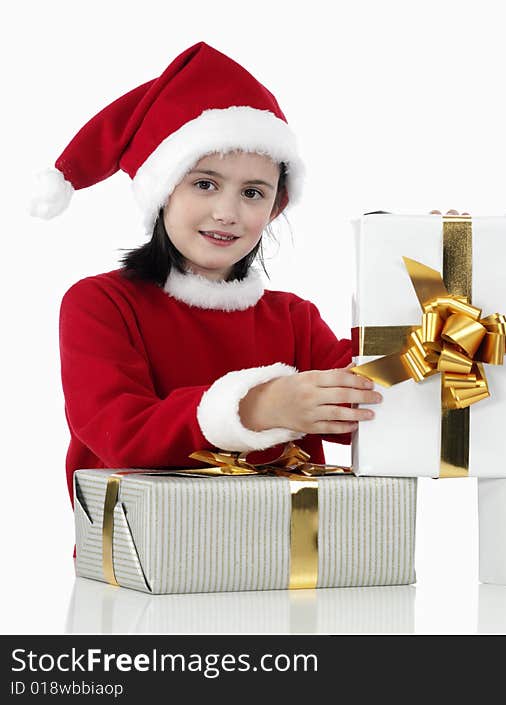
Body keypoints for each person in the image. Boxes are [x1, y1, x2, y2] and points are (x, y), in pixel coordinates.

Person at [28, 42, 381, 506]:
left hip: (283, 557)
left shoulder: (293, 318)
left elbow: (380, 399)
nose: (227, 212)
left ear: (275, 208)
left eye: (253, 193)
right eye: (205, 183)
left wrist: (434, 269)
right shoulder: (100, 304)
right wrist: (256, 407)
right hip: (146, 568)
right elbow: (121, 433)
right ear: (162, 191)